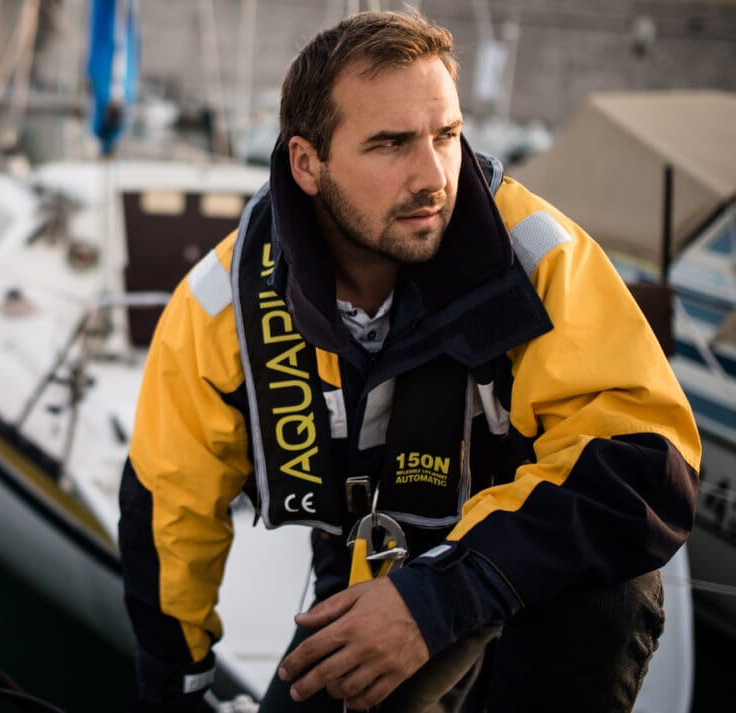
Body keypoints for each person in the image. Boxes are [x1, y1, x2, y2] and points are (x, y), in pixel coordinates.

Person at [117, 9, 700, 713]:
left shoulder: (534, 259)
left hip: (526, 570)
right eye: (391, 143)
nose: (434, 177)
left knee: (613, 591)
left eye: (446, 135)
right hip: (364, 576)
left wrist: (443, 595)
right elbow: (168, 508)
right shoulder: (226, 307)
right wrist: (174, 692)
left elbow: (645, 460)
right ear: (307, 163)